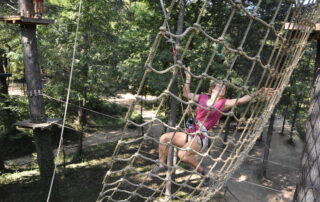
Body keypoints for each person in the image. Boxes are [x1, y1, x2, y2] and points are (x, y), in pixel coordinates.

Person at [151, 67, 275, 178]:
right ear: (213, 89)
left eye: (224, 88)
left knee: (182, 154)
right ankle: (162, 165)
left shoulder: (223, 103)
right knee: (164, 138)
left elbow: (241, 100)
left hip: (201, 136)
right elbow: (186, 94)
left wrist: (258, 93)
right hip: (190, 132)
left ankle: (202, 171)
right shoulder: (202, 97)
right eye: (219, 86)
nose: (222, 88)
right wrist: (188, 79)